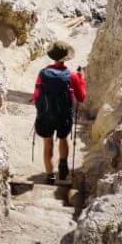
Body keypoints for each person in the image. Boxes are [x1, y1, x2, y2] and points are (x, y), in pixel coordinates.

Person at [32, 43, 87, 182]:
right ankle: (63, 167)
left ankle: (50, 176)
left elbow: (36, 95)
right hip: (64, 116)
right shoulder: (72, 76)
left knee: (47, 144)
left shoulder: (43, 73)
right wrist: (81, 79)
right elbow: (81, 97)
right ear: (66, 58)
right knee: (63, 139)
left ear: (53, 57)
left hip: (46, 115)